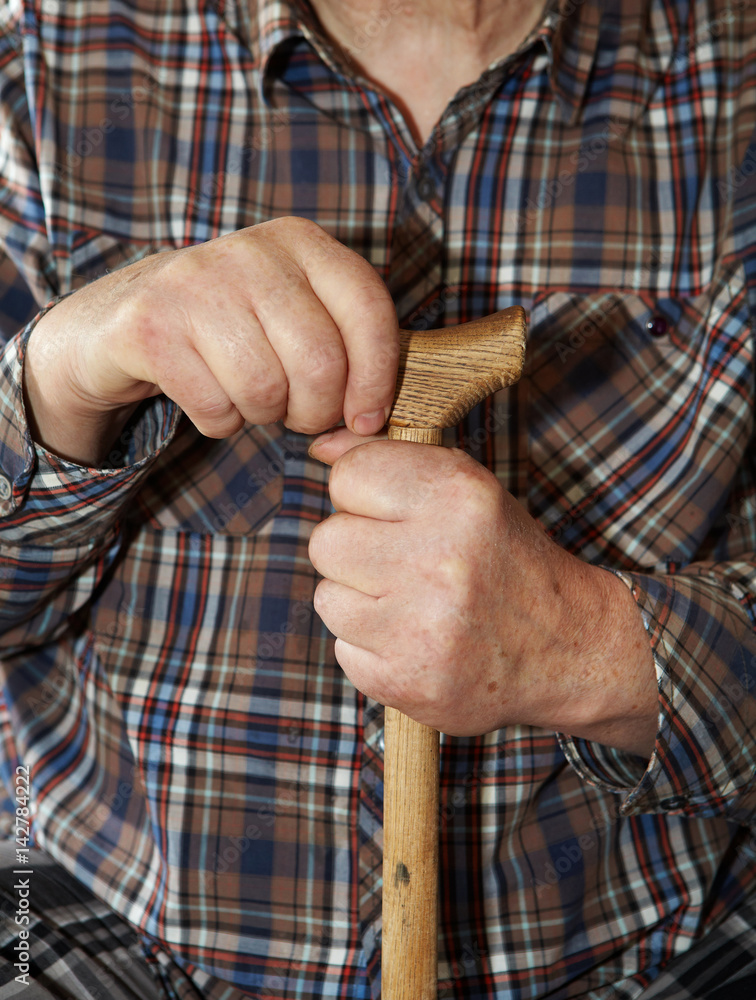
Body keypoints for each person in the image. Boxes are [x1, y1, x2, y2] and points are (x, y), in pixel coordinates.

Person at [0, 0, 755, 996]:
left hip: (648, 953)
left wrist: (589, 646)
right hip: (101, 928)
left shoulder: (737, 77)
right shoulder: (47, 63)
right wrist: (58, 379)